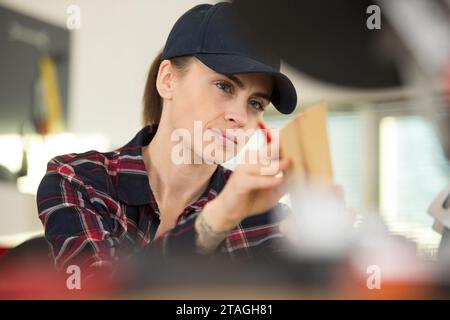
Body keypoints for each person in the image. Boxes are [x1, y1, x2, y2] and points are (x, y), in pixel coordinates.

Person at [36, 2, 301, 285]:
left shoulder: (267, 218)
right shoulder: (78, 180)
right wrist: (217, 219)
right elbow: (97, 290)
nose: (239, 116)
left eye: (255, 103)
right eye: (224, 86)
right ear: (168, 80)